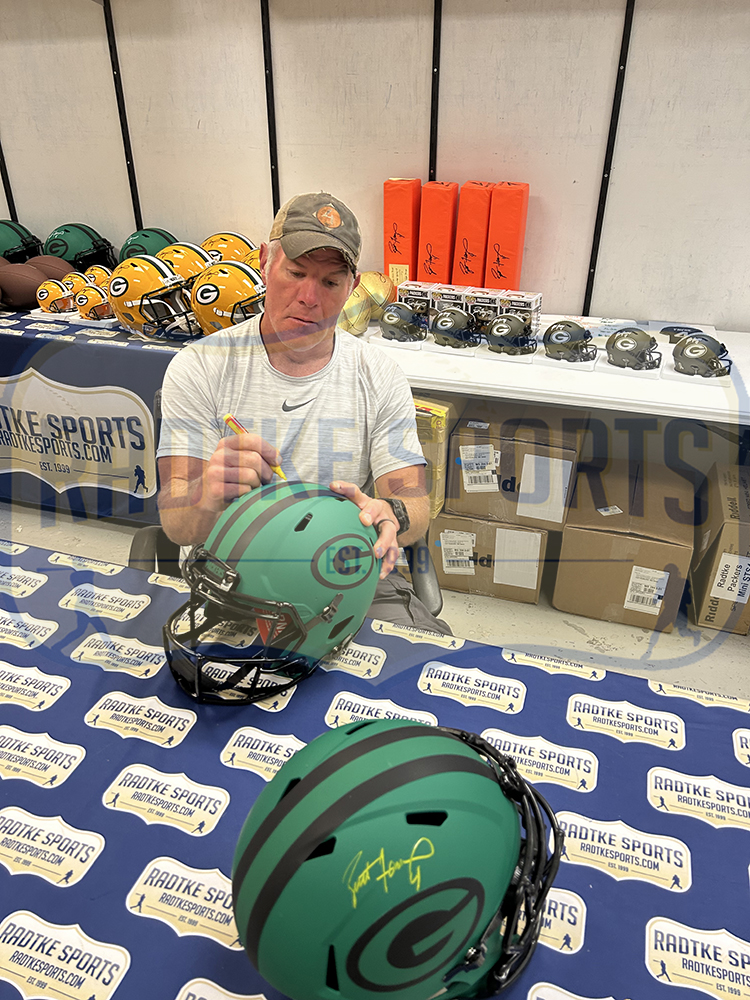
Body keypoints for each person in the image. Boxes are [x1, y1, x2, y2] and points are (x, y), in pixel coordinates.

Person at [156, 191, 450, 634]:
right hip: (228, 578)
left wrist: (392, 514)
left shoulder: (378, 374)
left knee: (423, 660)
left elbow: (414, 502)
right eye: (295, 273)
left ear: (351, 287)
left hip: (341, 574)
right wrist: (207, 493)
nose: (309, 297)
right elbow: (178, 524)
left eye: (330, 282)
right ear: (264, 262)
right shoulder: (200, 366)